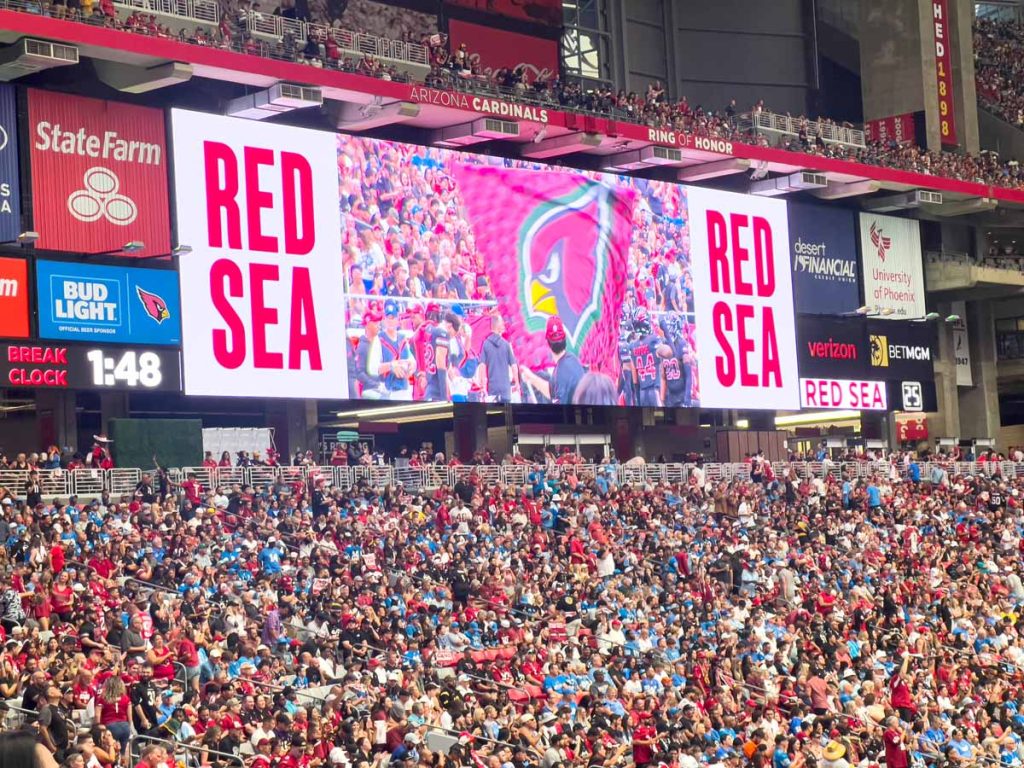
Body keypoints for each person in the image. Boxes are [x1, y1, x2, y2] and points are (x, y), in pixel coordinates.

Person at [520, 317, 586, 404]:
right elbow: (551, 391)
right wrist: (531, 377)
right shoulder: (574, 361)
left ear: (547, 342)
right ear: (565, 338)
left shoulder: (559, 373)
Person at [478, 314, 518, 403]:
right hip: (505, 390)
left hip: (492, 389)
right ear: (498, 326)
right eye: (502, 324)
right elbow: (514, 365)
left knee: (494, 415)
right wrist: (517, 384)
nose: (504, 326)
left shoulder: (486, 344)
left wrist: (483, 386)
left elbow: (482, 366)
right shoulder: (506, 344)